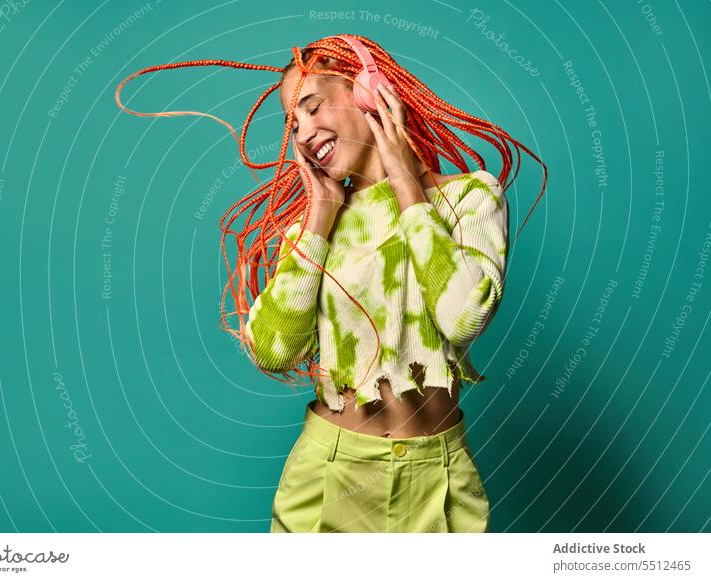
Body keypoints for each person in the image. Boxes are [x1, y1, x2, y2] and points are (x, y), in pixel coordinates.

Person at [115, 34, 547, 533]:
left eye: (313, 108)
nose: (302, 134)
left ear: (370, 93)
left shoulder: (470, 197)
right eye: (292, 125)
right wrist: (321, 214)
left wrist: (407, 185)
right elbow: (273, 351)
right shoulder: (308, 232)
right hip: (329, 473)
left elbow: (462, 317)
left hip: (439, 475)